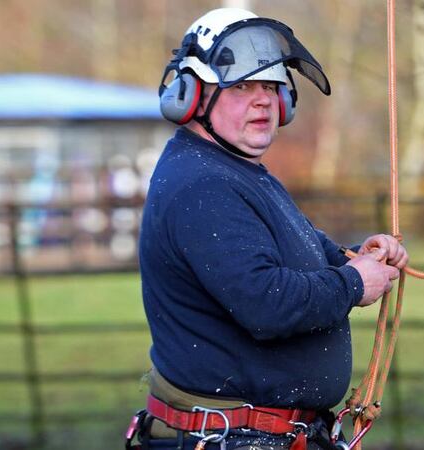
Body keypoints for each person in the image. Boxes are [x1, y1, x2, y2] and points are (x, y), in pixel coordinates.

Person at [128, 8, 408, 450]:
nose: (263, 100)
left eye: (270, 86)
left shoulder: (233, 171)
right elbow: (266, 303)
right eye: (241, 86)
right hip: (230, 438)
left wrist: (359, 257)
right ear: (192, 96)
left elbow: (303, 252)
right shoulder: (204, 185)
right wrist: (354, 283)